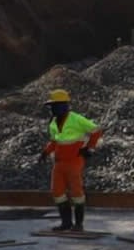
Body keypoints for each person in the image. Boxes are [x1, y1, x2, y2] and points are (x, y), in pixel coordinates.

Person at [37, 89, 103, 232]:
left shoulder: (76, 118)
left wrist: (90, 148)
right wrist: (45, 152)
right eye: (51, 106)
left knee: (76, 192)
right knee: (57, 192)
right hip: (59, 162)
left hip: (74, 161)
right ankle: (66, 223)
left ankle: (78, 224)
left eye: (54, 106)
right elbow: (55, 141)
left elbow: (96, 131)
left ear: (63, 105)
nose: (52, 109)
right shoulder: (53, 122)